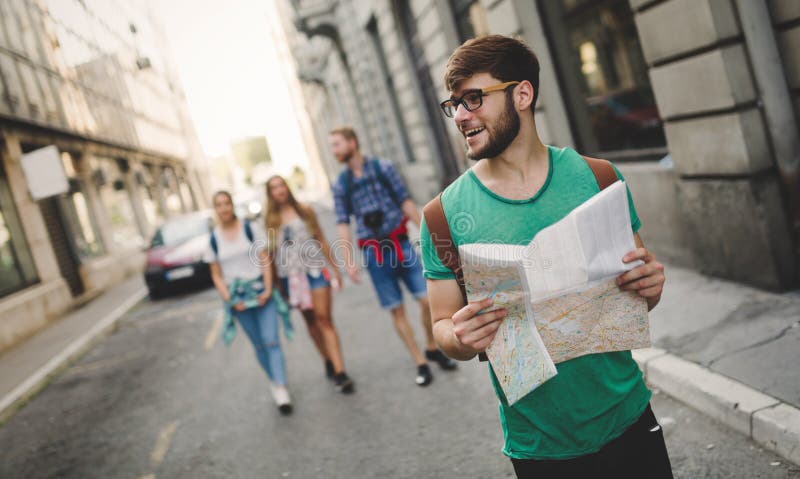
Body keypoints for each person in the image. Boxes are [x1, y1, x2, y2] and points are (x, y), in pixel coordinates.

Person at [419, 35, 672, 477]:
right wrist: (459, 336)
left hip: (630, 420)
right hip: (540, 449)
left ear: (522, 94)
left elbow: (638, 296)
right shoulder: (442, 217)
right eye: (454, 104)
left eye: (473, 99)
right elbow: (442, 327)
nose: (460, 115)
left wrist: (651, 286)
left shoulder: (598, 177)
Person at [329, 126, 457, 386]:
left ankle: (432, 347)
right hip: (374, 254)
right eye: (332, 146)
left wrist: (433, 235)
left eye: (337, 144)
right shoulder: (341, 184)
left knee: (426, 301)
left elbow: (406, 203)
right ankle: (420, 362)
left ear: (353, 143)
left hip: (401, 245)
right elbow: (343, 222)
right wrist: (348, 260)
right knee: (396, 311)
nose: (334, 150)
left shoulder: (384, 168)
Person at [265, 175, 355, 394]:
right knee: (312, 323)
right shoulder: (270, 221)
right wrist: (276, 285)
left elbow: (321, 239)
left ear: (287, 187)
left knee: (324, 319)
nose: (280, 190)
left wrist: (336, 269)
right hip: (291, 278)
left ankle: (341, 371)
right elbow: (271, 254)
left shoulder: (305, 211)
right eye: (274, 188)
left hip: (315, 271)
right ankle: (327, 360)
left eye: (282, 185)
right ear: (270, 194)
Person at [205, 190, 293, 415]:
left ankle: (282, 389)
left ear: (232, 205)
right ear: (215, 210)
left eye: (227, 203)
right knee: (259, 345)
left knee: (271, 340)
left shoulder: (249, 229)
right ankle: (274, 380)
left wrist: (267, 288)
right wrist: (230, 300)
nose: (224, 208)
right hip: (239, 299)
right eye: (219, 205)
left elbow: (265, 259)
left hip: (261, 291)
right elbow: (216, 274)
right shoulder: (214, 239)